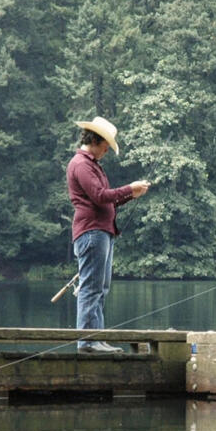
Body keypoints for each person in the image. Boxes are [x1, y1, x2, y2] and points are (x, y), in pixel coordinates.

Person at [66, 117, 149, 354]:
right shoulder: (81, 164)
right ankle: (88, 342)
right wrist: (129, 188)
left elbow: (107, 200)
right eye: (105, 146)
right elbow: (100, 196)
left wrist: (132, 194)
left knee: (100, 288)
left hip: (101, 232)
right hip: (92, 233)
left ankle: (96, 339)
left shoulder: (92, 165)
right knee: (91, 288)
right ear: (94, 140)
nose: (106, 151)